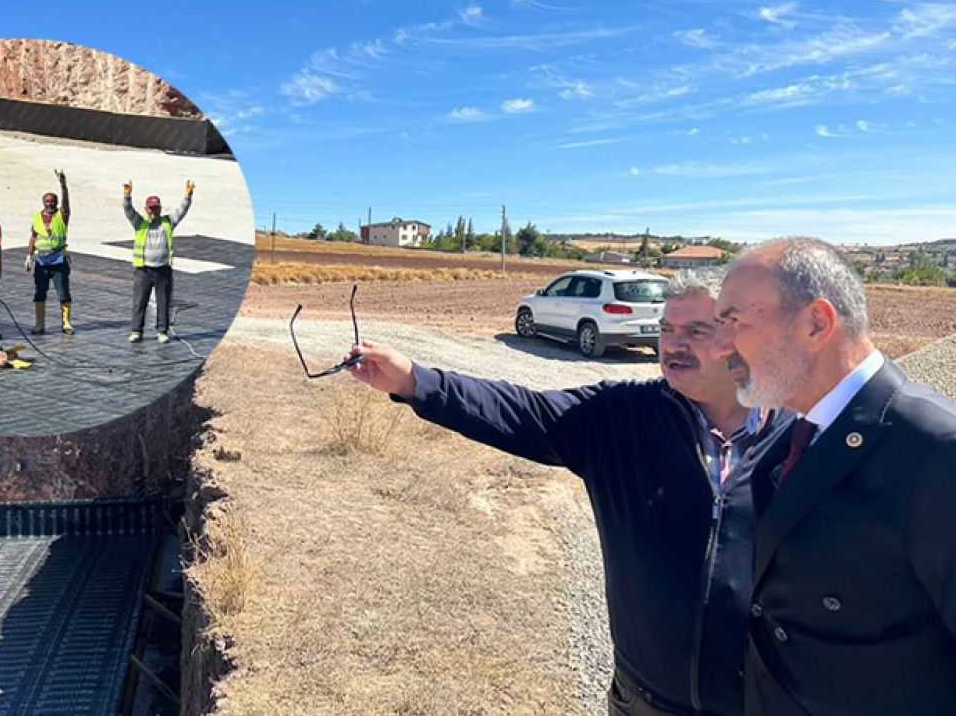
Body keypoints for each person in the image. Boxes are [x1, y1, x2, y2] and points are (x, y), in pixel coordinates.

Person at [349, 268, 788, 715]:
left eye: (696, 330)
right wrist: (413, 381)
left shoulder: (806, 436)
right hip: (647, 702)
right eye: (666, 329)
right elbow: (522, 411)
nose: (673, 344)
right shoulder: (621, 418)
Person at [711, 237, 956, 715]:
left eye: (734, 320)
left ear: (816, 324)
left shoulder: (935, 452)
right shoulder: (794, 434)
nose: (720, 347)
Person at [123, 179, 193, 343]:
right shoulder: (140, 223)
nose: (154, 211)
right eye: (151, 208)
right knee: (139, 302)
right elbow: (128, 210)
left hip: (163, 270)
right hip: (143, 270)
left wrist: (188, 196)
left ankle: (162, 331)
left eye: (156, 208)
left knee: (163, 302)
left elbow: (182, 210)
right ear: (146, 210)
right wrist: (127, 196)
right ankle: (136, 331)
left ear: (160, 208)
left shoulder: (168, 222)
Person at [25, 170, 72, 334]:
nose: (49, 203)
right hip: (42, 262)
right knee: (39, 293)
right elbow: (33, 237)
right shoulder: (36, 218)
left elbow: (66, 204)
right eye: (47, 201)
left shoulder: (62, 215)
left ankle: (66, 323)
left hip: (59, 260)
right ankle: (39, 324)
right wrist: (29, 256)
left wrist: (63, 185)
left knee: (63, 292)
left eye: (52, 201)